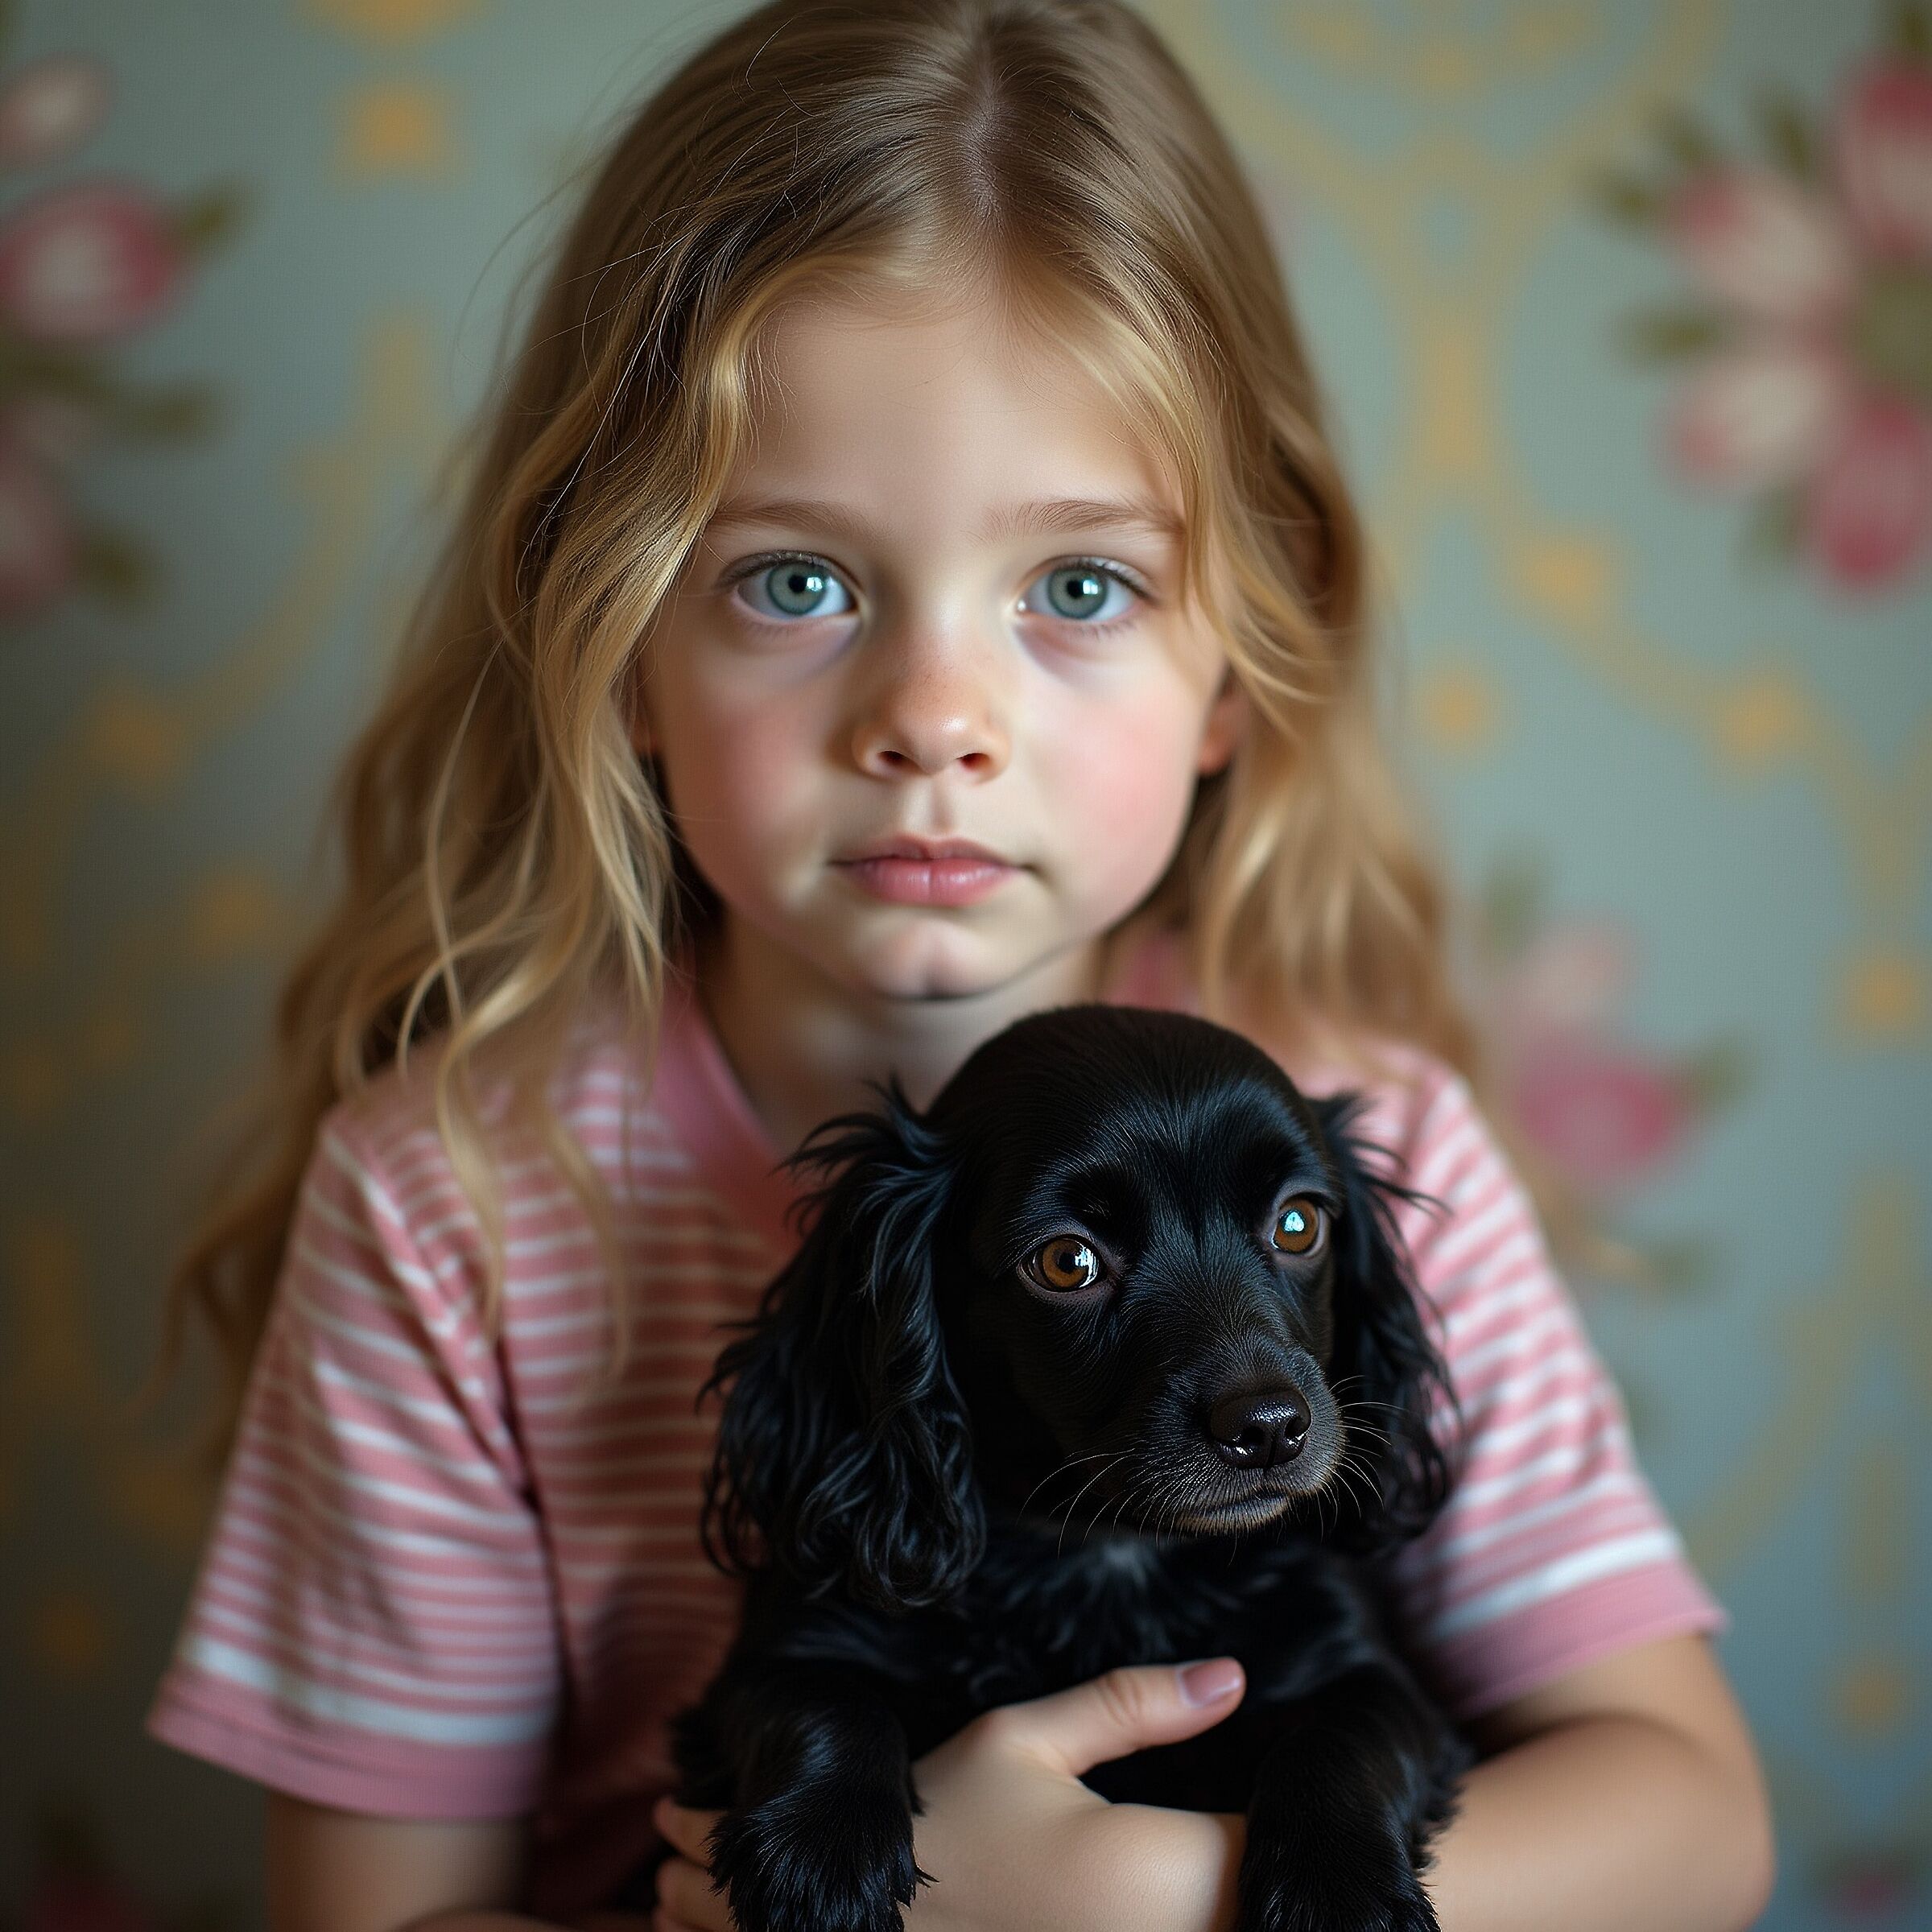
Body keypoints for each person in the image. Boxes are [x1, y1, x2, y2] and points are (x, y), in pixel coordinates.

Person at [146, 3, 1776, 1929]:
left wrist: (1128, 1905)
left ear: (1245, 658)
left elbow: (1696, 1830)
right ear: (617, 643)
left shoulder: (1356, 1141)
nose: (935, 717)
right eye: (795, 581)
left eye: (1078, 587)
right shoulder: (453, 1206)